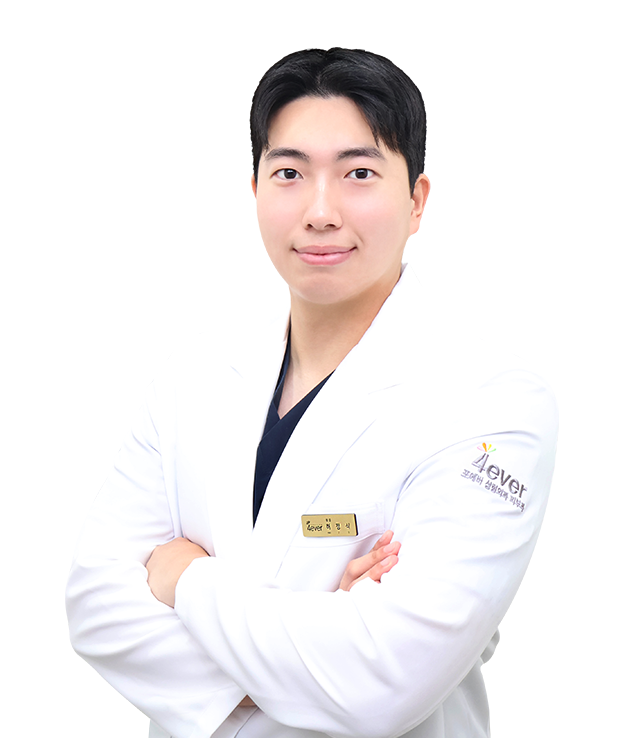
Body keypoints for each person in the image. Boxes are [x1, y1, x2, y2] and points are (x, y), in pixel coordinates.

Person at [66, 48, 558, 738]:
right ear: (255, 191)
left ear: (417, 200)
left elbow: (383, 682)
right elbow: (90, 600)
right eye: (290, 173)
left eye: (359, 173)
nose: (320, 212)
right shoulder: (194, 377)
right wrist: (307, 651)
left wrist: (184, 580)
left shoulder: (492, 403)